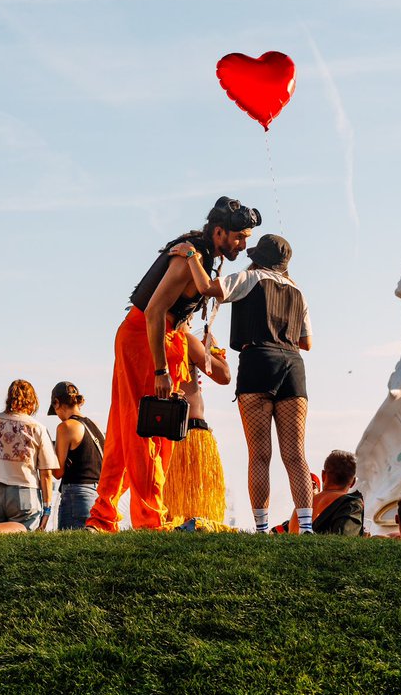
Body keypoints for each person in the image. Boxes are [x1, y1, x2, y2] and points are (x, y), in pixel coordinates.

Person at [86, 196, 261, 534]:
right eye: (239, 237)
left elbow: (181, 312)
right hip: (144, 340)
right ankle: (152, 519)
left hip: (153, 338)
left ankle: (103, 515)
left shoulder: (199, 256)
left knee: (130, 431)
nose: (242, 244)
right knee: (149, 433)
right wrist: (161, 369)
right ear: (220, 232)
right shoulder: (186, 259)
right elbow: (153, 313)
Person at [172, 232, 314, 534]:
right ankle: (306, 526)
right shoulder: (298, 291)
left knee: (260, 454)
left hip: (258, 360)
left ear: (257, 257)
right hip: (292, 365)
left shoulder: (250, 278)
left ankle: (261, 528)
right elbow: (307, 342)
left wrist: (192, 257)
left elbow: (209, 288)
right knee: (296, 453)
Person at [0, 380, 59, 531]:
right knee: (24, 540)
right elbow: (46, 474)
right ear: (33, 401)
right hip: (24, 491)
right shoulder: (37, 428)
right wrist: (47, 509)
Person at [163, 330, 231, 525]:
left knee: (170, 509)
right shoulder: (185, 340)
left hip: (163, 435)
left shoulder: (149, 340)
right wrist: (213, 348)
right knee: (199, 512)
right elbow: (224, 375)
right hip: (192, 435)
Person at [49, 381, 105, 530]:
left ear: (56, 403)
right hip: (98, 496)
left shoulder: (66, 427)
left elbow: (58, 472)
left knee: (70, 549)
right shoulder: (95, 426)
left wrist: (48, 453)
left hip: (76, 496)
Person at [278, 450, 363, 535]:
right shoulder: (351, 503)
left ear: (323, 475)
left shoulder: (302, 506)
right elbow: (345, 540)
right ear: (353, 482)